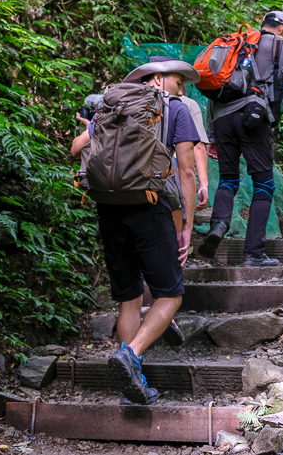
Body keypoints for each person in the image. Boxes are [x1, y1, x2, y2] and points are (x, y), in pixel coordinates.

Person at [71, 57, 200, 405]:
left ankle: (132, 381)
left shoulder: (110, 106)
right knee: (170, 295)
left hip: (109, 208)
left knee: (129, 297)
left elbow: (75, 149)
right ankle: (131, 354)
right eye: (178, 80)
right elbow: (186, 173)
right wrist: (186, 225)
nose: (182, 89)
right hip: (149, 207)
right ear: (158, 79)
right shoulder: (176, 110)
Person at [197, 11, 283, 266]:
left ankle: (217, 227)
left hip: (221, 119)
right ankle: (253, 253)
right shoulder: (276, 43)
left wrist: (212, 135)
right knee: (264, 184)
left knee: (228, 179)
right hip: (252, 116)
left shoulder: (238, 45)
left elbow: (215, 92)